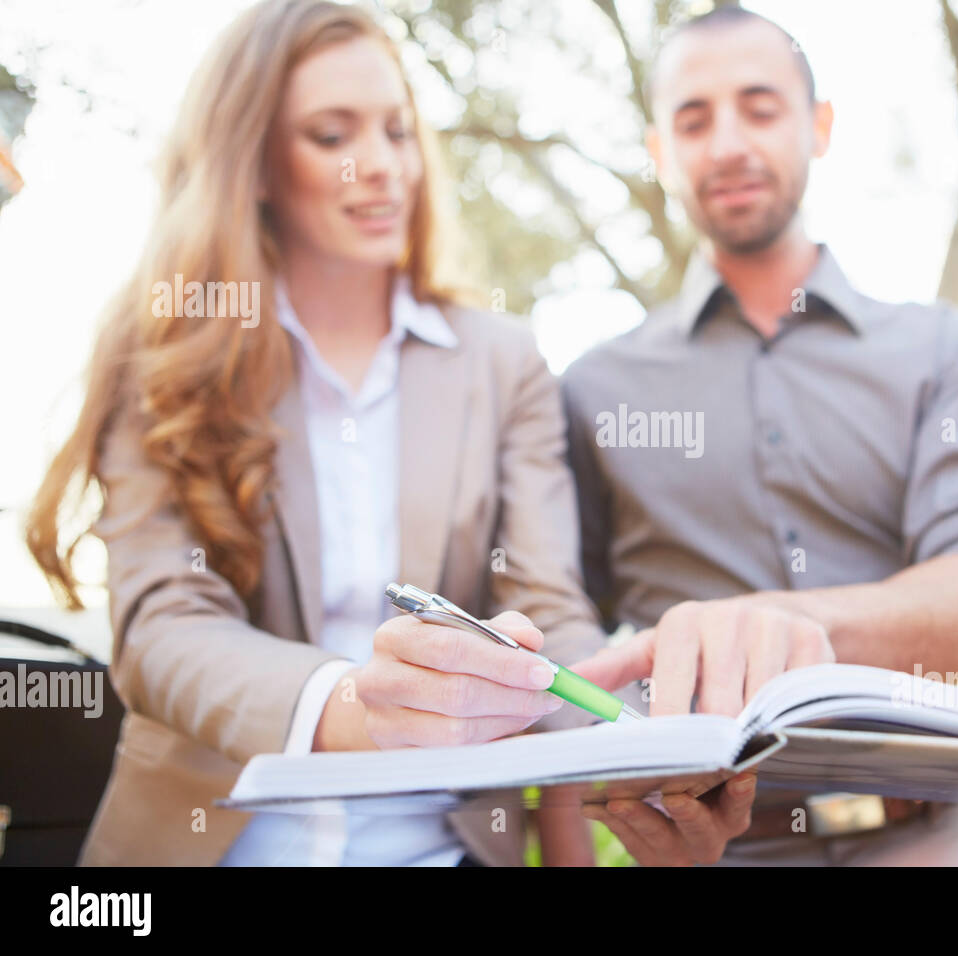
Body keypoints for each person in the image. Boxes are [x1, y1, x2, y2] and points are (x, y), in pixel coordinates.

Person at [24, 0, 608, 867]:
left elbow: (548, 615)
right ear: (253, 165)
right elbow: (162, 627)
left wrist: (636, 714)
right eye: (332, 137)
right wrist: (354, 703)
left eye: (398, 132)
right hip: (210, 844)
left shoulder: (503, 359)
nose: (380, 168)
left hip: (442, 846)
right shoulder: (171, 349)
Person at [563, 7, 958, 865]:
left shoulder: (938, 349)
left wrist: (777, 626)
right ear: (658, 150)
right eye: (692, 119)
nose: (726, 145)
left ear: (818, 127)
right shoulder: (591, 390)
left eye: (760, 107)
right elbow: (563, 630)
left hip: (947, 838)